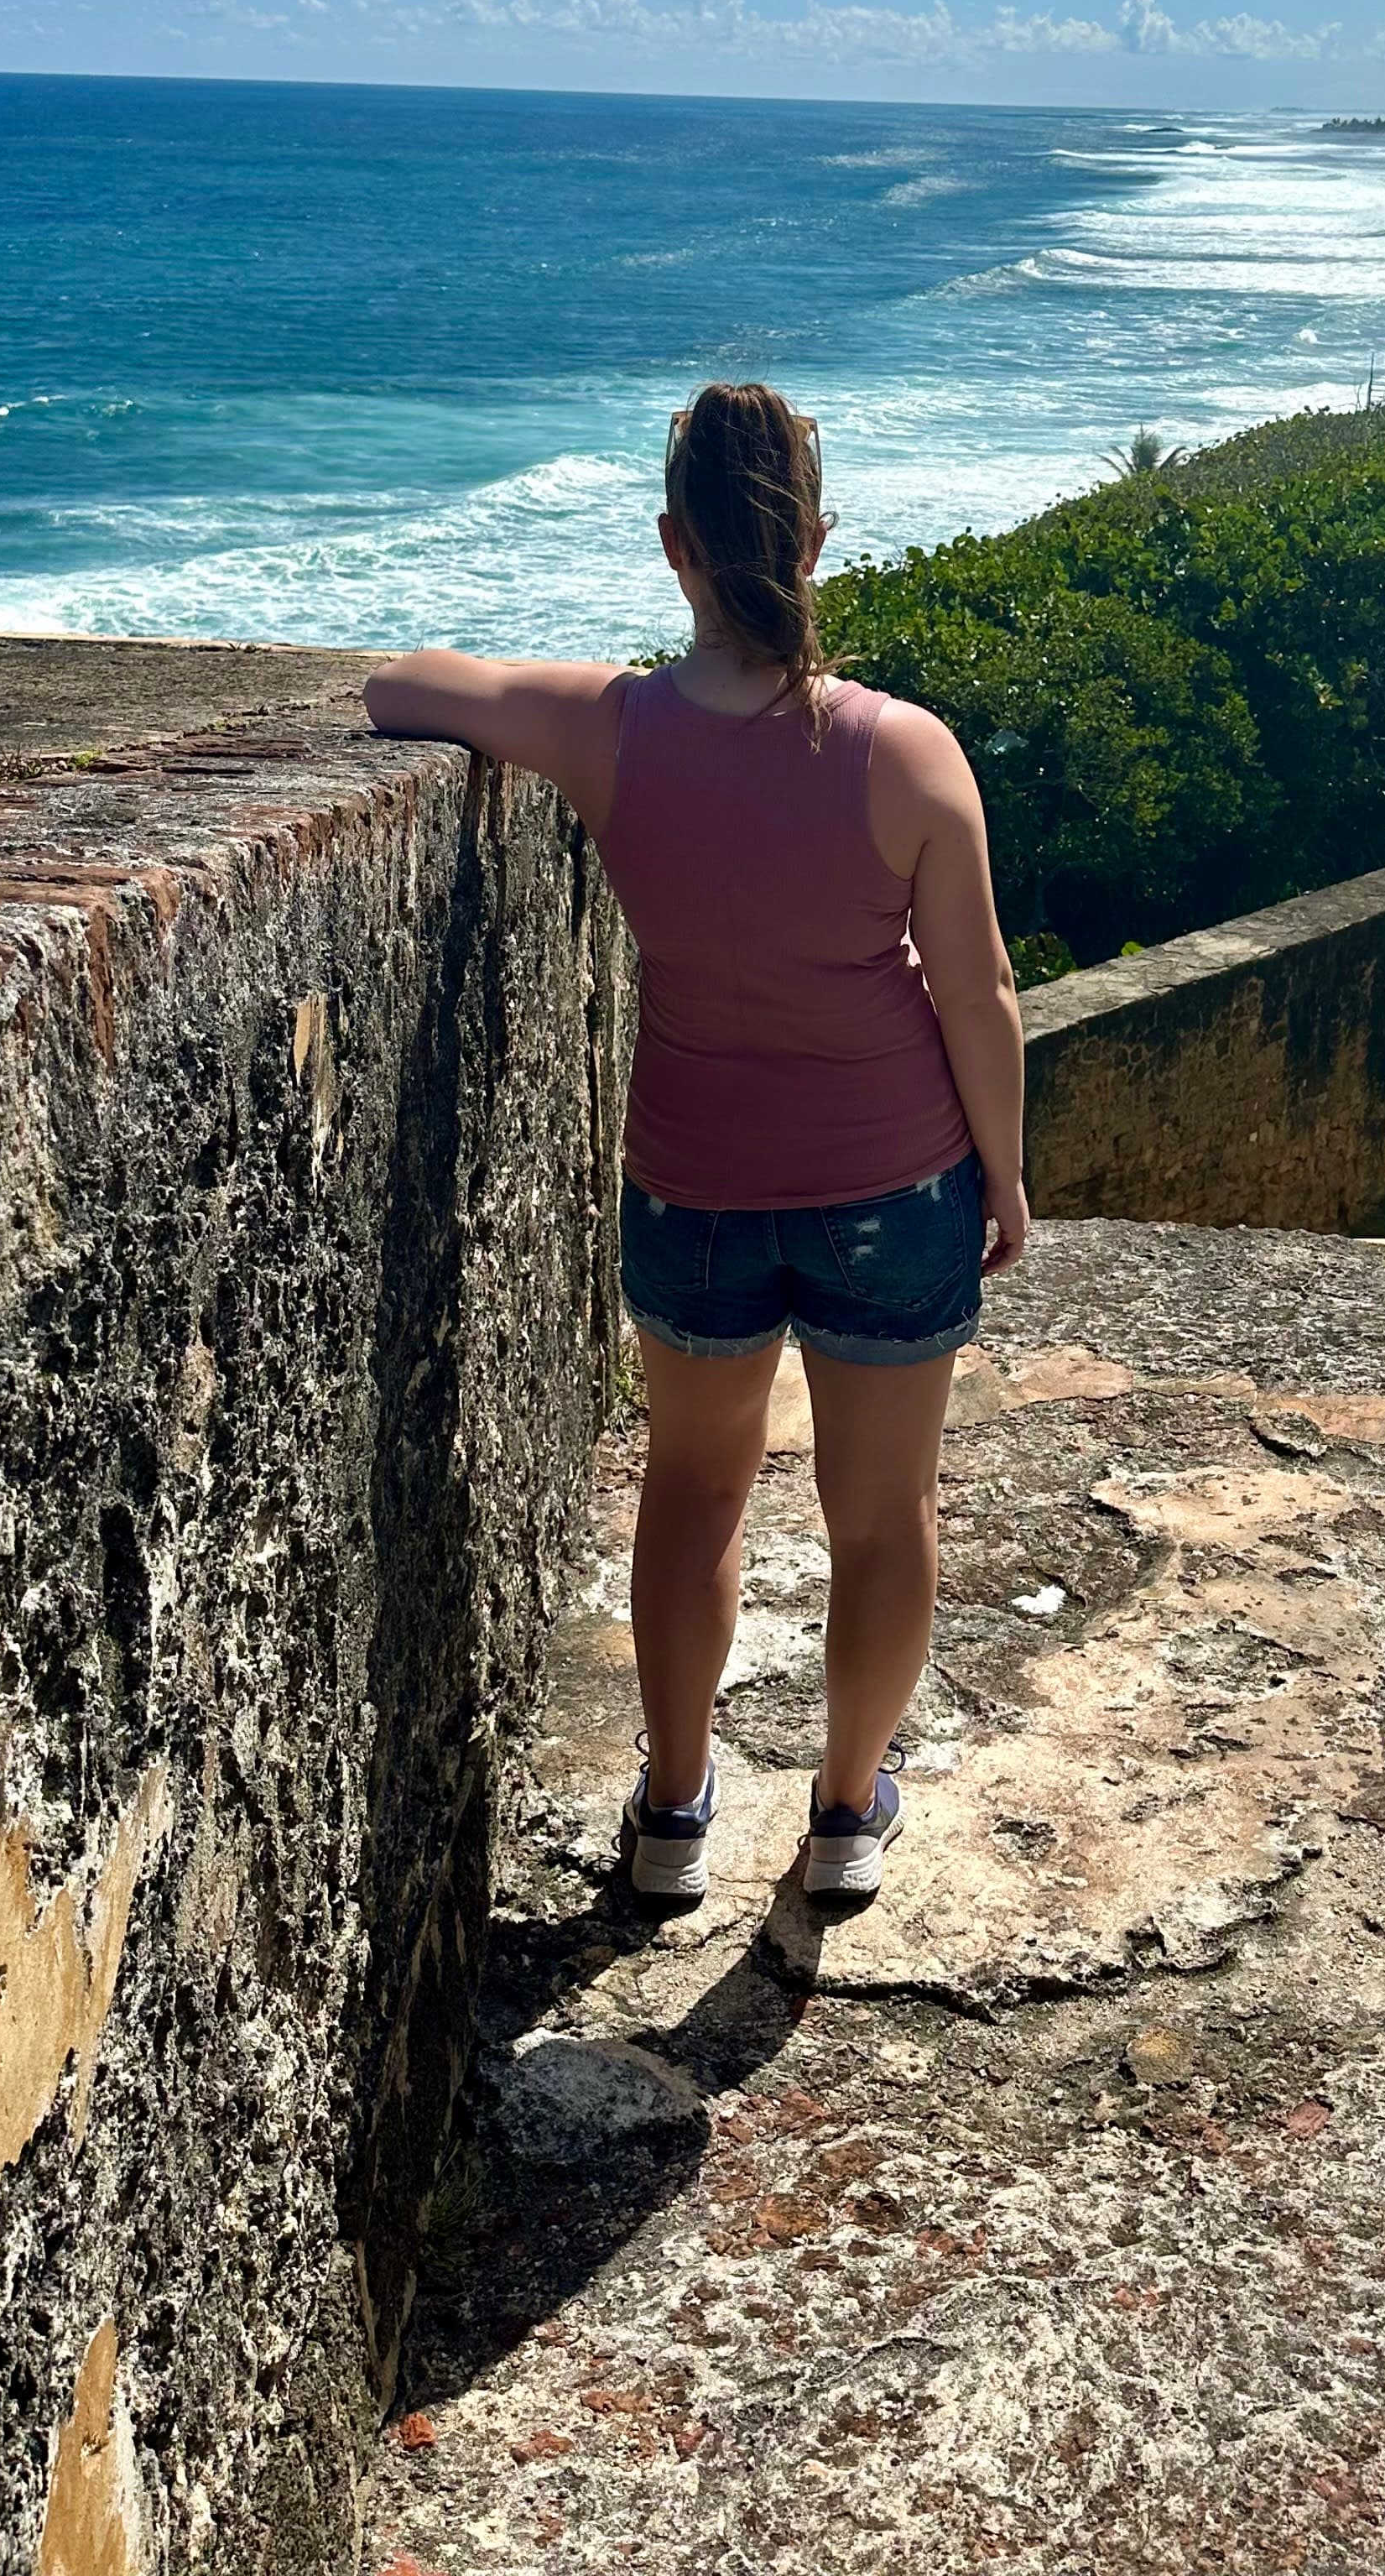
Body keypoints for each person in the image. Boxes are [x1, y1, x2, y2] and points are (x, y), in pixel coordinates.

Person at [362, 381, 1029, 1911]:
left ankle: (670, 1816)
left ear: (674, 544)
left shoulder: (611, 733)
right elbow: (980, 994)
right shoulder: (906, 753)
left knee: (693, 1492)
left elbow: (406, 688)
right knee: (882, 1520)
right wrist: (1000, 1172)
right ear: (821, 538)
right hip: (893, 1181)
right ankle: (848, 1815)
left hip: (694, 1189)